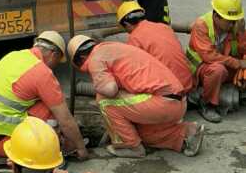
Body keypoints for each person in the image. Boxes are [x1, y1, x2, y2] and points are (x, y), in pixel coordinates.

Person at [68, 34, 204, 159]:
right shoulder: (113, 48)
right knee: (143, 134)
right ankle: (188, 132)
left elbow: (110, 90)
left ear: (80, 59)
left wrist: (97, 84)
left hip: (161, 102)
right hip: (177, 102)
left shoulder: (95, 58)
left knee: (104, 101)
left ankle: (131, 146)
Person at [0, 30, 88, 160]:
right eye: (57, 60)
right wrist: (81, 148)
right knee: (51, 108)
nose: (55, 66)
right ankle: (57, 147)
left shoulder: (13, 56)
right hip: (8, 145)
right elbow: (65, 120)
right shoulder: (42, 73)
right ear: (53, 54)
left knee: (43, 101)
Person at [186, 0, 246, 124]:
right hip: (201, 70)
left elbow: (242, 48)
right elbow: (209, 57)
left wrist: (241, 33)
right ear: (216, 16)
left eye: (234, 20)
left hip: (225, 65)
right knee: (218, 70)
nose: (232, 24)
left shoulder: (235, 25)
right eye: (229, 21)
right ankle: (208, 104)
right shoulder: (201, 25)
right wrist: (238, 63)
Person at [117, 1, 193, 93]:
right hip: (188, 84)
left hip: (170, 92)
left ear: (127, 24)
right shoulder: (163, 27)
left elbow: (133, 71)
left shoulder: (135, 38)